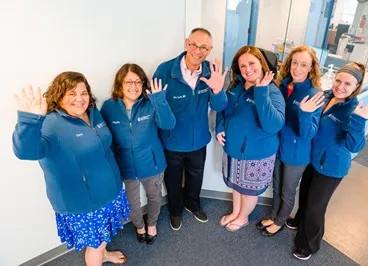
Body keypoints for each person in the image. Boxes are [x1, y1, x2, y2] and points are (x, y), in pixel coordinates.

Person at [12, 72, 131, 265]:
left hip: (109, 191)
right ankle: (99, 255)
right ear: (59, 96)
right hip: (84, 203)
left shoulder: (93, 112)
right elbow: (26, 151)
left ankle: (104, 254)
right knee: (95, 245)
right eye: (71, 93)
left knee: (101, 238)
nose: (79, 98)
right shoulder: (50, 124)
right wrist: (30, 120)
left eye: (83, 93)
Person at [291, 62, 368, 260]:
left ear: (356, 87)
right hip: (313, 160)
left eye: (347, 84)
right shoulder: (326, 97)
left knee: (316, 206)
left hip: (332, 167)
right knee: (305, 195)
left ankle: (309, 244)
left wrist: (359, 121)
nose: (340, 86)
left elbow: (354, 146)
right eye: (338, 80)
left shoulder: (355, 110)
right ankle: (299, 221)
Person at [153, 27, 227, 230]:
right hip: (172, 141)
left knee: (196, 177)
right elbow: (157, 107)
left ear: (209, 50)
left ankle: (193, 204)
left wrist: (218, 89)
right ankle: (175, 210)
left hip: (199, 140)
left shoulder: (211, 72)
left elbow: (220, 106)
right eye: (194, 44)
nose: (198, 50)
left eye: (204, 47)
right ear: (187, 43)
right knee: (173, 180)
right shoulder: (164, 70)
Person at [101, 64, 175, 245]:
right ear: (120, 84)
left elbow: (168, 124)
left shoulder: (151, 103)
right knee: (132, 202)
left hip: (152, 163)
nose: (134, 86)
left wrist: (159, 100)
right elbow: (104, 136)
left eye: (138, 81)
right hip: (125, 166)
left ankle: (151, 224)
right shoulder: (109, 107)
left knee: (154, 196)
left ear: (143, 84)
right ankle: (139, 226)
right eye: (129, 81)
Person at [256, 45, 325, 236]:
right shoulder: (281, 85)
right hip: (278, 146)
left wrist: (304, 113)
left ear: (311, 68)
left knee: (287, 190)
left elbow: (308, 134)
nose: (298, 68)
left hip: (297, 153)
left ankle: (280, 221)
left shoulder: (315, 94)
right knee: (276, 184)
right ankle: (273, 214)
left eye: (304, 65)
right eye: (295, 63)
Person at [215, 45, 285, 232]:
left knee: (248, 190)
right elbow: (224, 110)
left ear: (261, 64)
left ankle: (243, 217)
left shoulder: (272, 91)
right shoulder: (236, 86)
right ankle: (236, 212)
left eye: (252, 63)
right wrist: (220, 127)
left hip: (256, 154)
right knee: (237, 187)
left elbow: (273, 126)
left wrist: (261, 93)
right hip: (233, 149)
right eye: (243, 65)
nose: (248, 69)